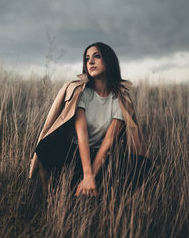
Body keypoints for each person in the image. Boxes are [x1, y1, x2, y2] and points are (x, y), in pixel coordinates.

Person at [29, 42, 149, 198]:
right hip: (73, 151)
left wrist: (90, 175)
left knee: (144, 165)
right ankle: (53, 191)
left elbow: (108, 142)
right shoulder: (82, 92)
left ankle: (101, 189)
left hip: (100, 154)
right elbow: (82, 134)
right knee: (45, 147)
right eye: (87, 58)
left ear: (109, 60)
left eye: (97, 56)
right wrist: (87, 175)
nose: (90, 62)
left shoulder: (120, 99)